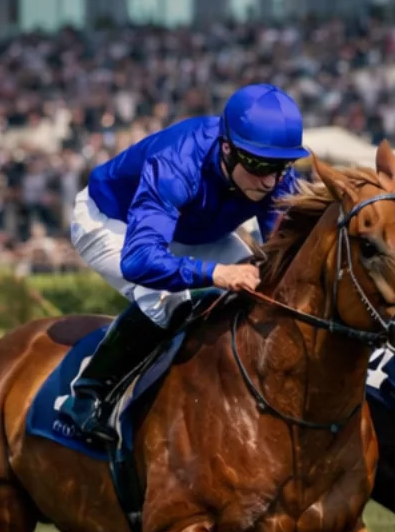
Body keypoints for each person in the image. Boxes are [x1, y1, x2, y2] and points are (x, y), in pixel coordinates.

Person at [58, 83, 309, 446]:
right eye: (259, 165)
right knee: (169, 300)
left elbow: (282, 254)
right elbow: (140, 259)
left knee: (263, 288)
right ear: (227, 148)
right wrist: (215, 273)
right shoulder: (177, 162)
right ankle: (88, 393)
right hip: (115, 224)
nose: (270, 181)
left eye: (282, 167)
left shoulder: (273, 174)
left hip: (193, 229)